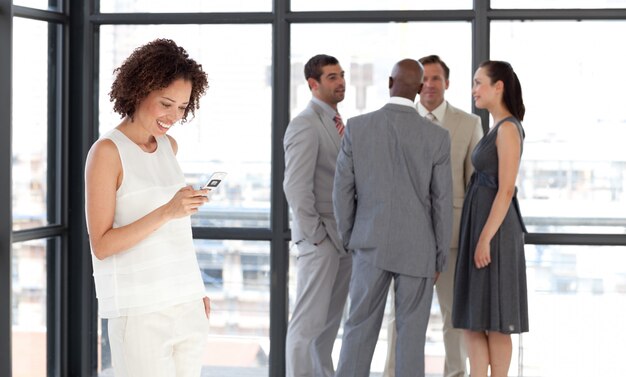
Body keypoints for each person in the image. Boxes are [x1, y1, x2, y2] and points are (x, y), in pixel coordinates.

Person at [85, 38, 211, 377]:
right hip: (140, 311)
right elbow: (102, 243)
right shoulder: (107, 152)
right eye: (166, 103)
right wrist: (168, 210)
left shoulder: (169, 146)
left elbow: (176, 234)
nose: (173, 116)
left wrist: (196, 291)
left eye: (183, 107)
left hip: (186, 304)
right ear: (140, 90)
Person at [333, 59, 453, 377]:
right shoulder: (437, 137)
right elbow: (441, 202)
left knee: (358, 330)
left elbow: (341, 192)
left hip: (368, 244)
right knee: (411, 339)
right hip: (419, 250)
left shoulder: (357, 128)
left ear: (390, 82)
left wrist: (351, 238)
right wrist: (439, 257)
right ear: (418, 89)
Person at [383, 55, 483, 377]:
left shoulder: (468, 124)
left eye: (436, 79)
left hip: (452, 238)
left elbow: (474, 186)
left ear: (447, 84)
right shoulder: (399, 120)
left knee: (455, 318)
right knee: (401, 316)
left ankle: (455, 374)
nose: (428, 85)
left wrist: (473, 238)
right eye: (423, 79)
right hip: (406, 237)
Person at [452, 60, 529, 377]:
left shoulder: (508, 128)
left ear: (499, 86)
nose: (473, 90)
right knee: (474, 316)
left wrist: (484, 238)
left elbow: (506, 189)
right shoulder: (498, 127)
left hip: (494, 232)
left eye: (478, 82)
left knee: (497, 319)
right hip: (480, 227)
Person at [283, 54, 352, 377]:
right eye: (331, 77)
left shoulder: (341, 124)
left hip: (344, 240)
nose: (340, 82)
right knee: (306, 327)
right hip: (321, 240)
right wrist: (316, 237)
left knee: (327, 329)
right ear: (313, 84)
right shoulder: (305, 124)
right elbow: (295, 187)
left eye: (341, 75)